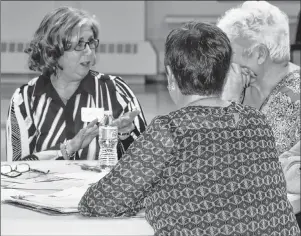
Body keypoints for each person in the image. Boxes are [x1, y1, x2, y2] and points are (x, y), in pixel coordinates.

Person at [78, 22, 300, 235]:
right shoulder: (256, 122)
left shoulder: (170, 130)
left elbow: (98, 202)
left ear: (171, 76)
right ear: (224, 74)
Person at [6, 6, 147, 161]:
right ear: (54, 51)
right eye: (79, 44)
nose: (89, 51)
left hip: (101, 185)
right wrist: (68, 149)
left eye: (91, 42)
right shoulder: (25, 99)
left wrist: (125, 136)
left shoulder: (115, 91)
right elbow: (18, 170)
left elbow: (145, 162)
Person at [216, 1, 301, 227]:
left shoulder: (294, 96)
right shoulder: (242, 87)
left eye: (229, 54)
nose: (224, 64)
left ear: (260, 54)